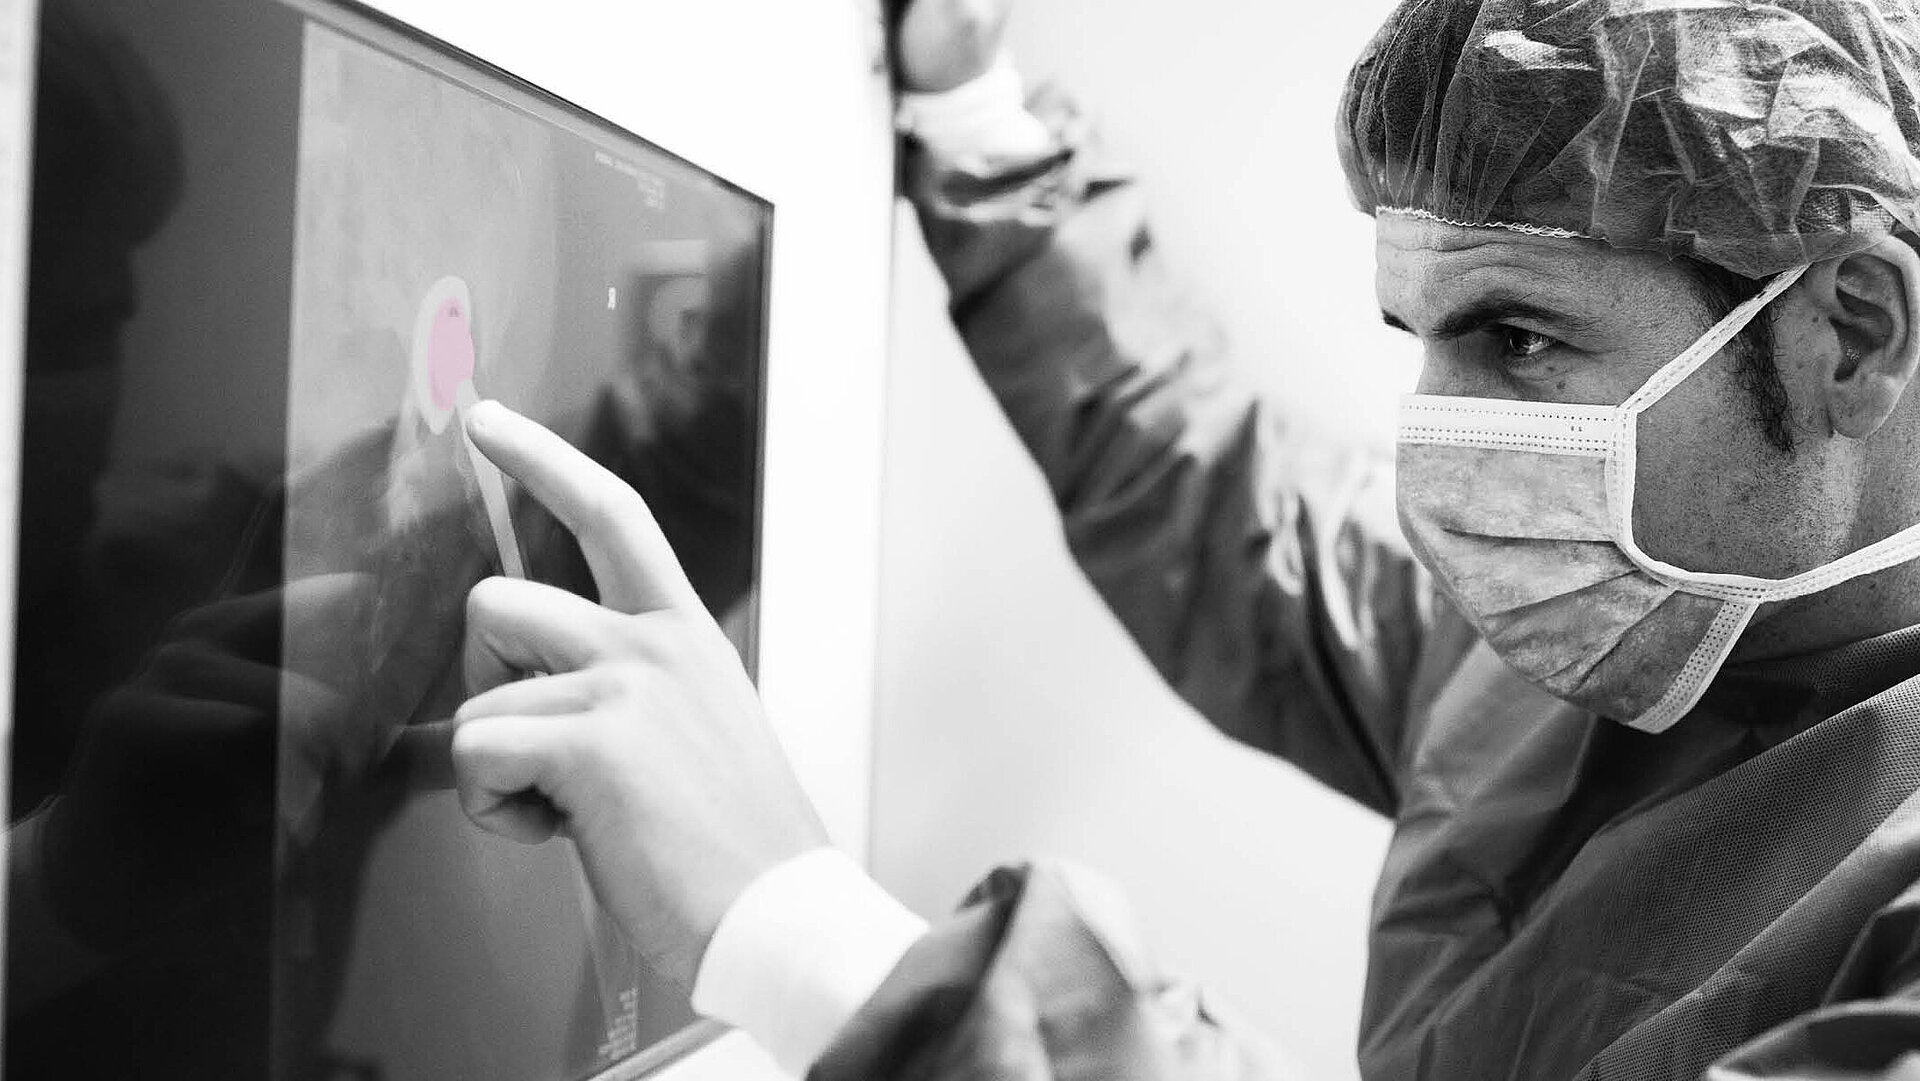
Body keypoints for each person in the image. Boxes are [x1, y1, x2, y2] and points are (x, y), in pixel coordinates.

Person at [447, 0, 1920, 1076]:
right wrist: (975, 117)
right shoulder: (1582, 640)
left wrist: (811, 937)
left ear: (1851, 333)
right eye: (1415, 338)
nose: (1439, 446)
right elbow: (1228, 514)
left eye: (1521, 339)